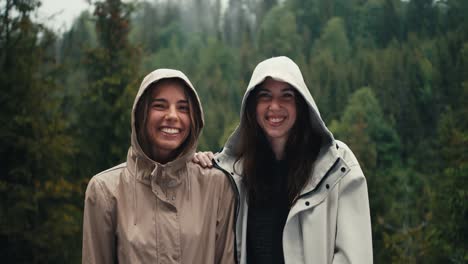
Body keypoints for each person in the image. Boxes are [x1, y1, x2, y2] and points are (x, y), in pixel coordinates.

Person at [193, 56, 373, 263]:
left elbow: (354, 256)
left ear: (302, 104)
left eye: (286, 96)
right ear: (252, 106)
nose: (275, 106)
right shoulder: (235, 172)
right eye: (265, 96)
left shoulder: (337, 165)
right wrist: (199, 166)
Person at [82, 69, 236, 264]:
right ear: (141, 114)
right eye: (160, 105)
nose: (172, 115)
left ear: (194, 119)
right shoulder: (105, 191)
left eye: (183, 108)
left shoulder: (216, 185)